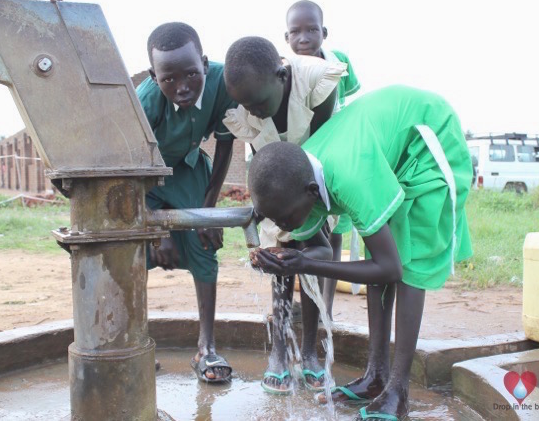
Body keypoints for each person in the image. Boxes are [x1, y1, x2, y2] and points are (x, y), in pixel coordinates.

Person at [249, 85, 472, 420]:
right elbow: (322, 248)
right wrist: (285, 262)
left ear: (311, 193)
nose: (284, 227)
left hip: (429, 138)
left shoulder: (349, 176)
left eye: (285, 218)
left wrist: (306, 263)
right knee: (377, 248)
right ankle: (375, 376)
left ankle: (398, 392)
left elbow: (389, 269)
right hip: (385, 150)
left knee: (410, 265)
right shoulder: (297, 174)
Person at [222, 36, 345, 394]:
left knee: (309, 264)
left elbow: (323, 144)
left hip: (313, 179)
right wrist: (267, 203)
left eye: (258, 103)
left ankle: (308, 352)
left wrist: (304, 209)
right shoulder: (250, 101)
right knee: (280, 262)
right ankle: (278, 352)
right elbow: (260, 153)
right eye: (245, 104)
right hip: (274, 182)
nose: (254, 111)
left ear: (280, 75)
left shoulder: (317, 83)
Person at [135, 22, 237, 383]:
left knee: (204, 245)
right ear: (154, 76)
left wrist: (208, 211)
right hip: (142, 181)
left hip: (190, 170)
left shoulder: (224, 84)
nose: (182, 87)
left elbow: (225, 144)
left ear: (205, 64)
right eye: (169, 79)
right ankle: (132, 346)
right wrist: (156, 228)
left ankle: (205, 348)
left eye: (192, 73)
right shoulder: (145, 102)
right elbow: (130, 172)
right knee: (127, 250)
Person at [284, 0, 362, 318]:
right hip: (304, 156)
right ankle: (295, 306)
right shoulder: (288, 70)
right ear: (286, 37)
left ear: (324, 32)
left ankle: (326, 306)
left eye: (311, 29)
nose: (304, 37)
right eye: (296, 31)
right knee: (300, 235)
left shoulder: (339, 60)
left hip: (336, 155)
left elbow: (351, 102)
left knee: (336, 230)